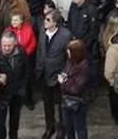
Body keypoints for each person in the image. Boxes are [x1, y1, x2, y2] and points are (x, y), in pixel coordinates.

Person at [34, 10, 72, 139]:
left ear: (55, 22)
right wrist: (39, 67)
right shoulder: (43, 32)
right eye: (45, 19)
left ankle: (62, 129)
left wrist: (64, 74)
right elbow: (40, 50)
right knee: (47, 104)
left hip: (58, 76)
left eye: (48, 20)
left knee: (61, 105)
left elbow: (69, 57)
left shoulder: (65, 35)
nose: (45, 21)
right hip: (44, 73)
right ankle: (50, 127)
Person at [0, 32, 28, 139]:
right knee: (0, 123)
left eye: (9, 46)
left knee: (14, 121)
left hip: (17, 93)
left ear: (15, 43)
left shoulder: (21, 52)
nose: (6, 48)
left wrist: (22, 88)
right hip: (2, 94)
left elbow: (27, 71)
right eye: (4, 45)